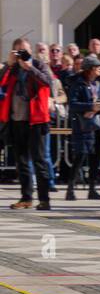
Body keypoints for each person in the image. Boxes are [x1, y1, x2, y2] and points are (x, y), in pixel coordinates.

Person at [0, 37, 56, 210]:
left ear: (30, 50)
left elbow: (48, 82)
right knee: (21, 161)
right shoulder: (12, 67)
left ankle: (44, 199)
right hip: (17, 120)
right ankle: (26, 198)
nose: (22, 54)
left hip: (36, 120)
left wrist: (30, 68)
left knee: (39, 161)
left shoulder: (39, 65)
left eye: (25, 50)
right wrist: (8, 65)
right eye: (18, 51)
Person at [66, 54, 100, 200]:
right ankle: (70, 189)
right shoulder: (78, 83)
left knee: (95, 157)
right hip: (82, 126)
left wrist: (99, 107)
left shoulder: (99, 85)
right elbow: (72, 104)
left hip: (97, 125)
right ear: (90, 69)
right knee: (80, 157)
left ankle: (92, 188)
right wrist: (90, 106)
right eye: (97, 67)